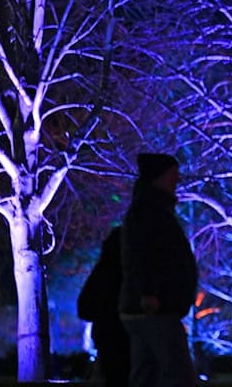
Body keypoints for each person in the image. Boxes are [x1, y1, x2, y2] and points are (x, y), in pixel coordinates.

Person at [119, 153, 198, 387]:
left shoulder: (150, 210)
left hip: (151, 305)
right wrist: (149, 292)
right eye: (172, 174)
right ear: (159, 177)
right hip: (156, 307)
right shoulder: (150, 212)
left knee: (147, 374)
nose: (177, 180)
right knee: (178, 375)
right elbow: (141, 254)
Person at [77, 226, 129, 386]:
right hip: (129, 336)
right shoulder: (133, 274)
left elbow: (84, 308)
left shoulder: (101, 273)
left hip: (106, 337)